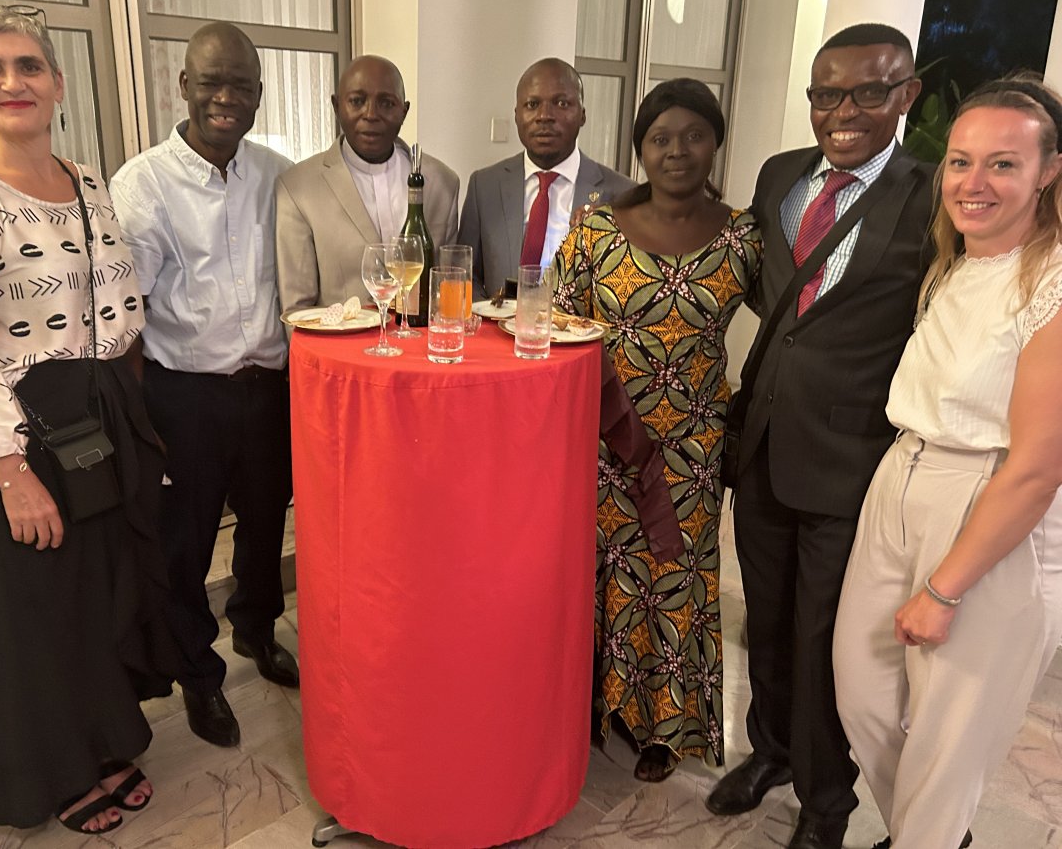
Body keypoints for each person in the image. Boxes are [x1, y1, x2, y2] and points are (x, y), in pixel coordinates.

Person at [0, 4, 176, 834]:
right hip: (17, 433)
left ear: (58, 83)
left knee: (96, 597)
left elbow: (116, 307)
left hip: (97, 420)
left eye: (28, 66)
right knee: (35, 608)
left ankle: (103, 740)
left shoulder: (86, 182)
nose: (11, 82)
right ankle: (52, 770)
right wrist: (11, 471)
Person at [704, 23, 934, 849]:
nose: (844, 111)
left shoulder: (931, 193)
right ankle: (770, 752)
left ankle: (826, 802)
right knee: (765, 619)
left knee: (824, 640)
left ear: (906, 95)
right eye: (827, 94)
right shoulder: (781, 176)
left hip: (851, 458)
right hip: (765, 442)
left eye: (869, 92)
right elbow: (776, 299)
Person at [834, 78, 1062, 849]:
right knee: (863, 694)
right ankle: (932, 836)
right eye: (961, 161)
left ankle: (927, 837)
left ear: (1049, 172)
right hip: (902, 473)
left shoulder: (1053, 282)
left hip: (990, 498)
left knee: (949, 734)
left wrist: (944, 588)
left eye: (1003, 164)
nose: (974, 182)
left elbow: (1038, 468)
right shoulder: (955, 264)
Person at [553, 79, 761, 783]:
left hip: (692, 453)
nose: (677, 151)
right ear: (639, 149)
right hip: (604, 442)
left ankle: (662, 729)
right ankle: (590, 703)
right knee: (601, 571)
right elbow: (558, 327)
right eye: (660, 138)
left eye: (693, 136)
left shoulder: (744, 237)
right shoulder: (596, 229)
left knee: (672, 578)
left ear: (716, 142)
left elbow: (791, 326)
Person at [110, 22, 298, 751]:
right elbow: (126, 313)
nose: (226, 98)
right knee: (183, 545)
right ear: (183, 85)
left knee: (265, 524)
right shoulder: (143, 183)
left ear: (258, 94)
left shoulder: (279, 175)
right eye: (212, 83)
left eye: (241, 86)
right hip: (184, 396)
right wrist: (141, 416)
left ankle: (256, 629)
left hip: (269, 388)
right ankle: (199, 673)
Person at [275, 55, 459, 311]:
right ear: (336, 106)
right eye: (357, 101)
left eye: (386, 103)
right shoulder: (298, 188)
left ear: (404, 111)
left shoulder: (442, 183)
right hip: (341, 337)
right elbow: (297, 311)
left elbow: (449, 290)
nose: (371, 114)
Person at [460, 57, 635, 298]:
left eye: (561, 103)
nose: (544, 116)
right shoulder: (485, 186)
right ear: (516, 115)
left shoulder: (622, 194)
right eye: (532, 104)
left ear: (582, 115)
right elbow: (464, 273)